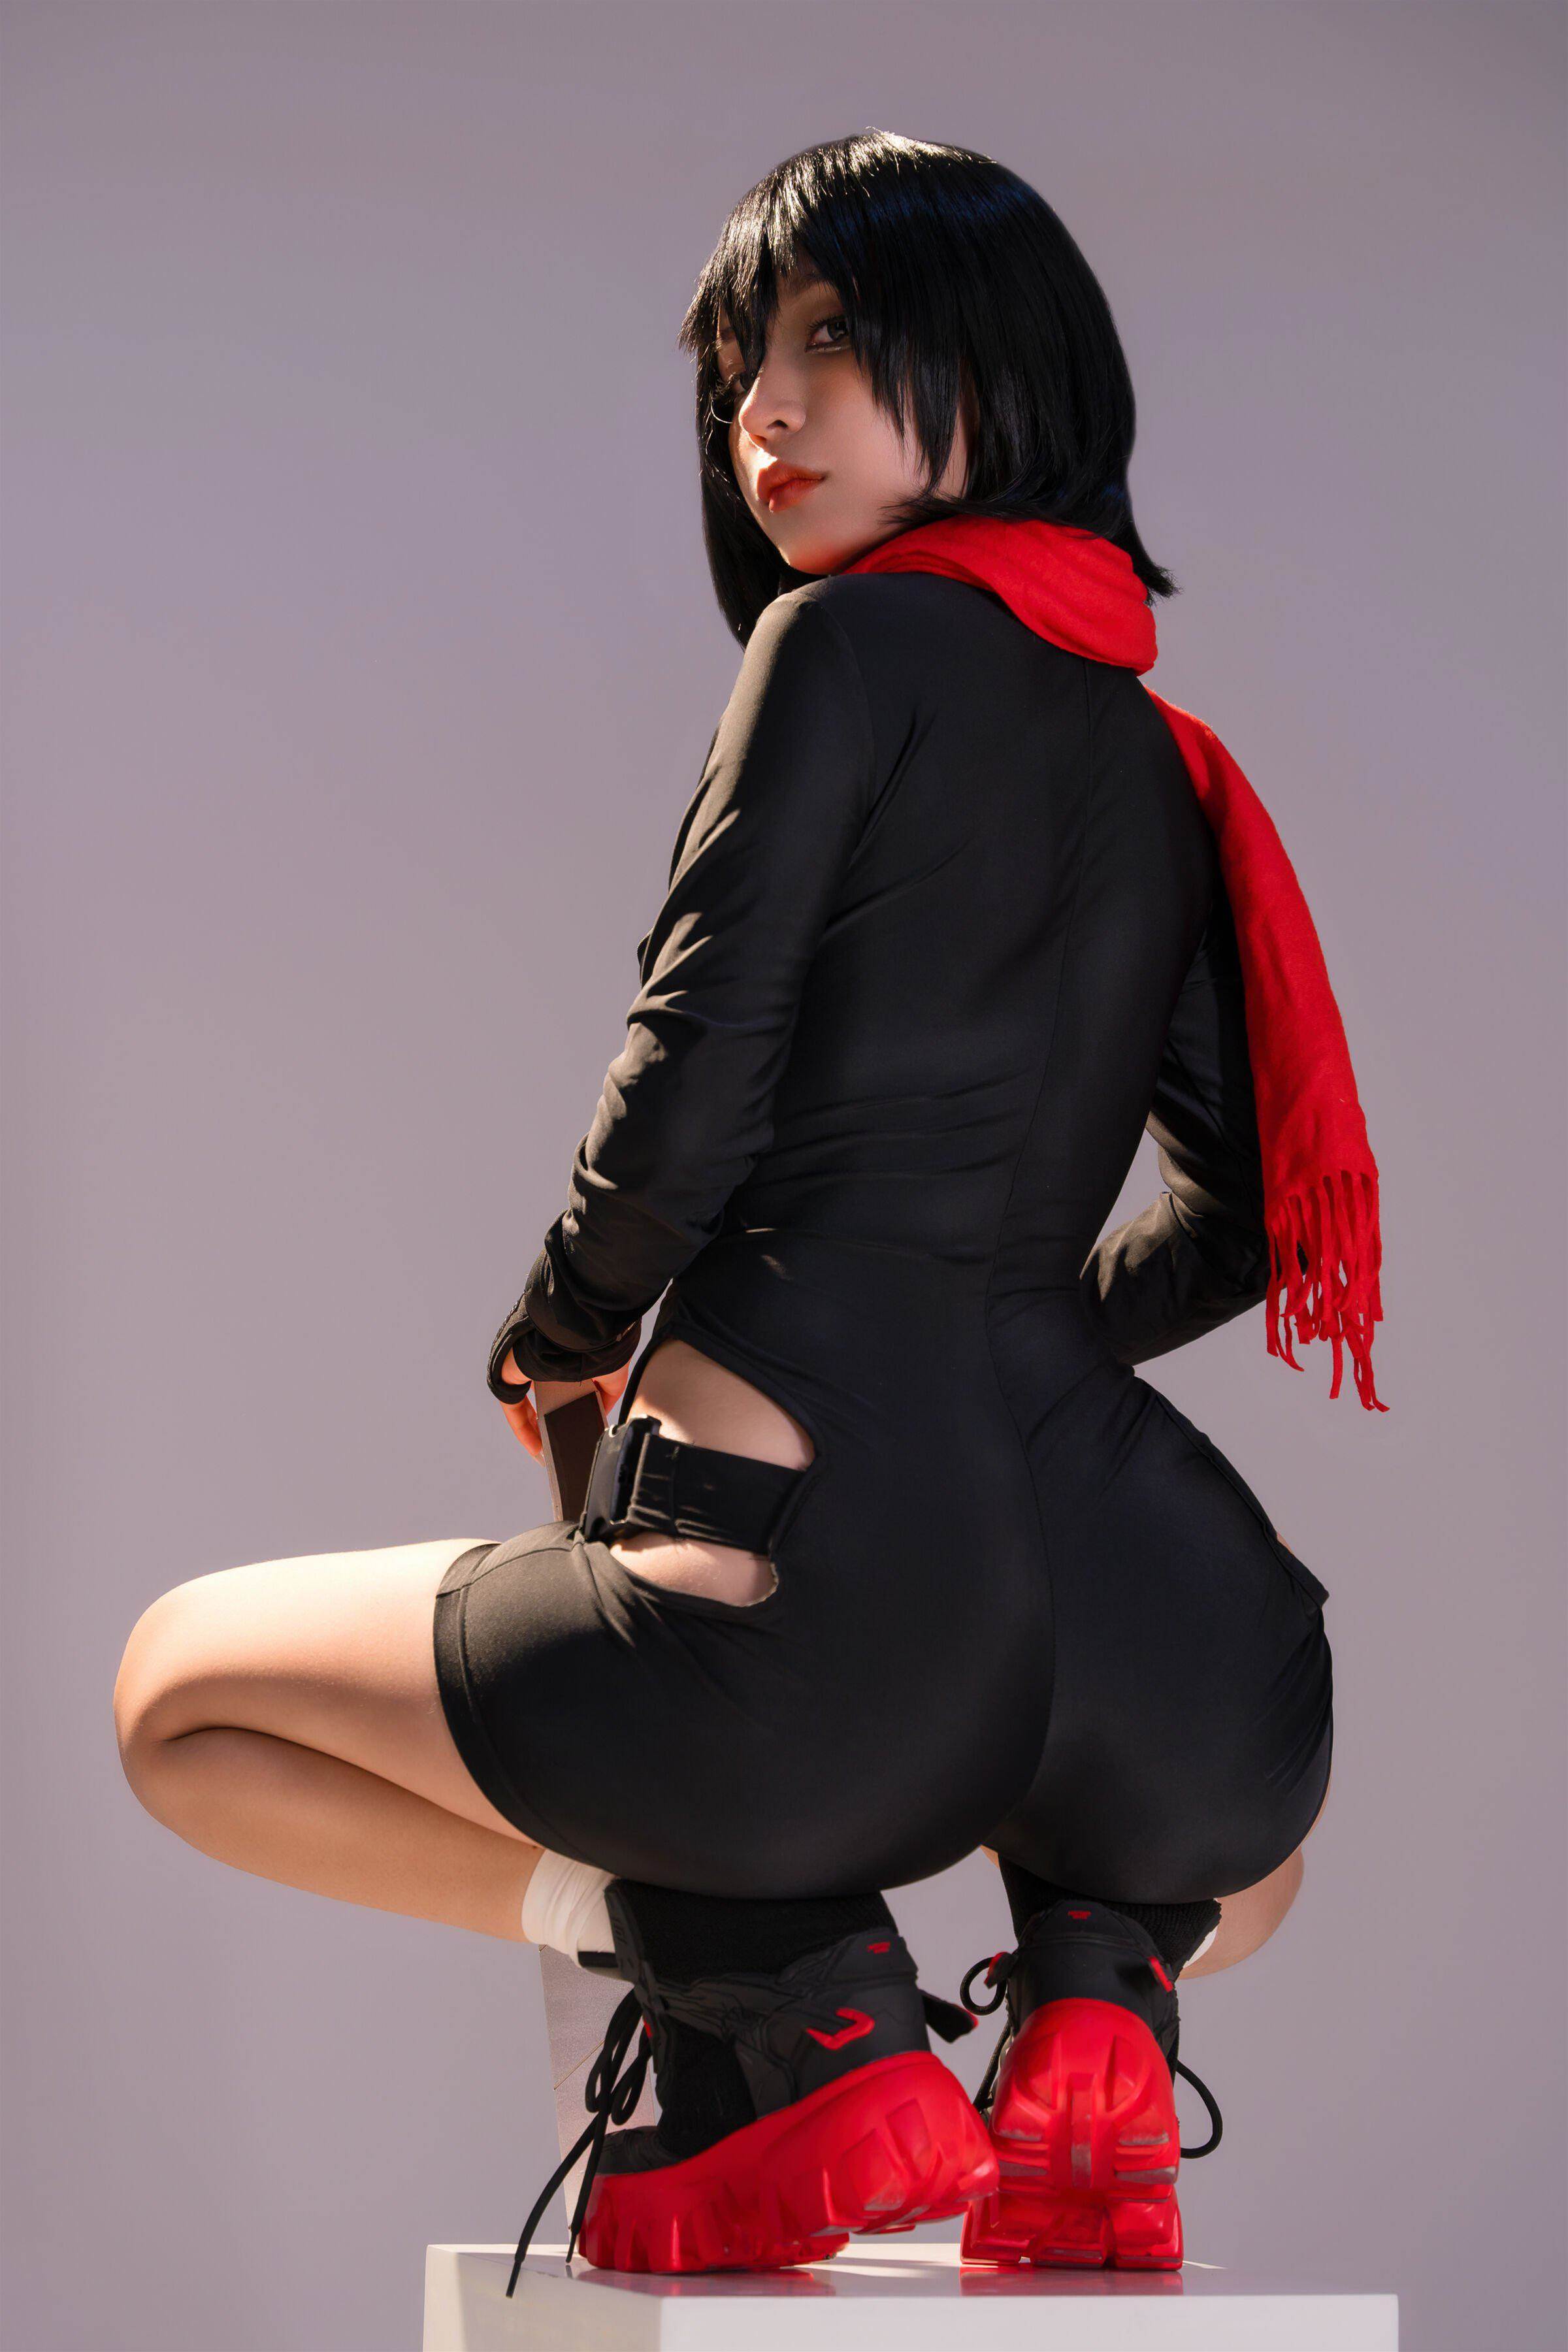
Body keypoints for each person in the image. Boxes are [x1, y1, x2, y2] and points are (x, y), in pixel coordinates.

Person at [114, 129, 1382, 2280]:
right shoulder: (1162, 763)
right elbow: (1264, 1215)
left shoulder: (842, 647)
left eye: (830, 342)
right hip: (1169, 1663)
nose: (765, 415)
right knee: (1248, 1879)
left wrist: (561, 1328)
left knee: (181, 1700)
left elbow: (691, 1077)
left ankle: (774, 1986)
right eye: (736, 373)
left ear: (1004, 364)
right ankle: (1100, 1991)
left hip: (809, 1627)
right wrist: (1007, 1341)